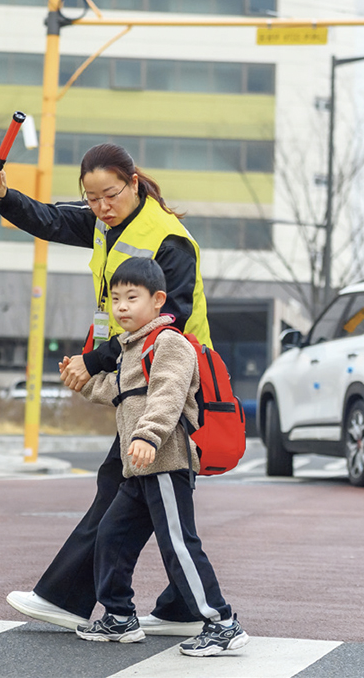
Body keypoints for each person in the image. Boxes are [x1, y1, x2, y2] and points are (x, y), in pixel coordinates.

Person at [0, 143, 211, 636]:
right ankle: (181, 607)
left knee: (125, 492)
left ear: (134, 182)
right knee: (146, 498)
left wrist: (94, 362)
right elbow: (52, 219)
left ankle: (69, 598)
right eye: (91, 197)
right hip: (137, 381)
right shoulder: (106, 225)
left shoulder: (169, 241)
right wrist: (3, 196)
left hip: (174, 385)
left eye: (110, 194)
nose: (101, 206)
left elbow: (171, 320)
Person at [68, 257, 248, 657]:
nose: (122, 307)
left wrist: (148, 436)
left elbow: (167, 395)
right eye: (116, 299)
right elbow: (117, 391)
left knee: (179, 545)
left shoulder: (170, 343)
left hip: (166, 462)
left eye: (132, 297)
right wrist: (80, 381)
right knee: (111, 535)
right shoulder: (132, 349)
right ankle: (119, 617)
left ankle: (222, 623)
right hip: (139, 469)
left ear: (158, 300)